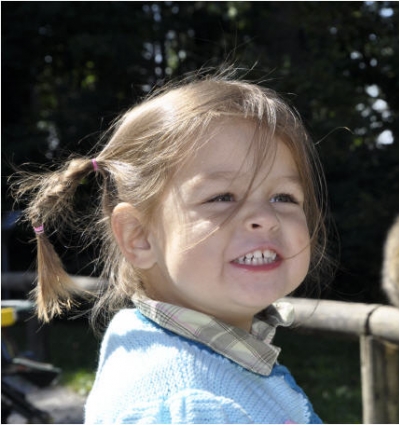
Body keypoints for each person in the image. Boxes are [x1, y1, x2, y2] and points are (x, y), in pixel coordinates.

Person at [12, 69, 333, 423]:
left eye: (284, 197)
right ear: (139, 236)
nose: (266, 218)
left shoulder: (184, 362)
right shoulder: (187, 405)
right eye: (222, 197)